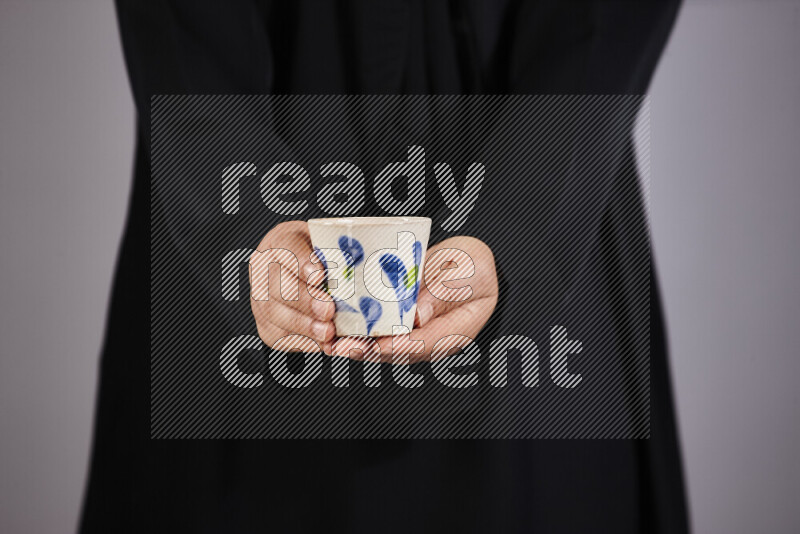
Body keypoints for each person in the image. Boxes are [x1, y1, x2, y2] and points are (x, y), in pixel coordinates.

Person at [80, 1, 688, 532]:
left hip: (546, 172)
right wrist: (240, 225)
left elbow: (601, 20)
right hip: (227, 200)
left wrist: (518, 236)